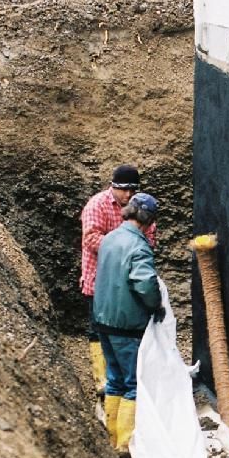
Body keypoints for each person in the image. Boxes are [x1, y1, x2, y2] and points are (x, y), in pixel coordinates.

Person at [92, 192, 165, 453]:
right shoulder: (139, 247)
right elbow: (144, 284)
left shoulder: (110, 238)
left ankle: (110, 438)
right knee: (133, 383)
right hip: (127, 324)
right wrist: (156, 305)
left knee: (115, 380)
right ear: (148, 220)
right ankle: (125, 446)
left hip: (103, 319)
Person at [80, 164, 158, 393]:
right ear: (112, 187)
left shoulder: (139, 208)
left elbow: (150, 240)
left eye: (132, 190)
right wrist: (121, 248)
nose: (128, 195)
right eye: (123, 190)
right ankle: (100, 380)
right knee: (99, 330)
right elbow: (91, 238)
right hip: (99, 280)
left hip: (126, 283)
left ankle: (115, 380)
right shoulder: (97, 205)